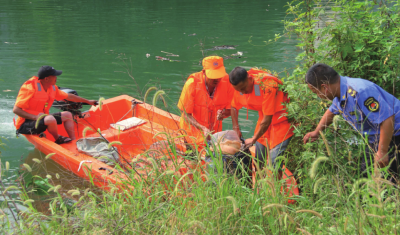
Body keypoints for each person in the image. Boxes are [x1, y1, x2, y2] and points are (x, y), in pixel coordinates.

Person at [303, 63, 400, 180]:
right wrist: (317, 132)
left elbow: (387, 118)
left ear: (324, 87)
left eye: (316, 92)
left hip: (393, 136)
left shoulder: (360, 91)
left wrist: (382, 151)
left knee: (385, 180)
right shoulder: (339, 93)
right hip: (375, 140)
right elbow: (331, 111)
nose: (318, 96)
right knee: (368, 176)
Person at [229, 67, 294, 176]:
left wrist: (254, 139)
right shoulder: (240, 88)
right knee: (258, 160)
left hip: (282, 123)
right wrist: (236, 129)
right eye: (239, 90)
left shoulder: (268, 86)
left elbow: (267, 120)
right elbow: (233, 107)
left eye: (244, 88)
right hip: (263, 123)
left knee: (274, 162)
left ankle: (275, 189)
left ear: (249, 78)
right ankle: (259, 187)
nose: (243, 93)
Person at [13, 66, 97, 144]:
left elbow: (70, 97)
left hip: (44, 118)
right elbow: (16, 110)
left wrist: (88, 101)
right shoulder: (29, 87)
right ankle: (58, 139)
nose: (56, 78)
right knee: (50, 119)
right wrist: (35, 117)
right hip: (25, 123)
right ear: (46, 79)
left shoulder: (52, 88)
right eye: (54, 76)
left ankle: (74, 141)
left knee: (68, 114)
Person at [177, 56, 234, 147]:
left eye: (219, 75)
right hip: (192, 136)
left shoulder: (227, 82)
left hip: (214, 136)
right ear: (204, 72)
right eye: (213, 76)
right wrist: (202, 128)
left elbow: (231, 110)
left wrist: (223, 114)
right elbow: (185, 115)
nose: (217, 79)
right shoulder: (192, 84)